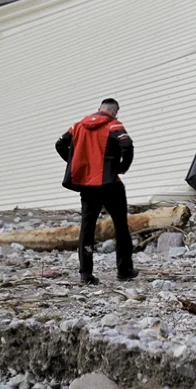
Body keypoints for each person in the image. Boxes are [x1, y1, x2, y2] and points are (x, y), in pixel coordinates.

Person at [55, 98, 138, 285]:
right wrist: (120, 168)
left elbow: (59, 145)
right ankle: (124, 270)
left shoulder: (77, 126)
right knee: (120, 226)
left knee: (87, 227)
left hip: (87, 186)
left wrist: (75, 164)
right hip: (110, 184)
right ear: (114, 112)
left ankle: (86, 274)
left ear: (99, 109)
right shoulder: (113, 125)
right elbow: (127, 145)